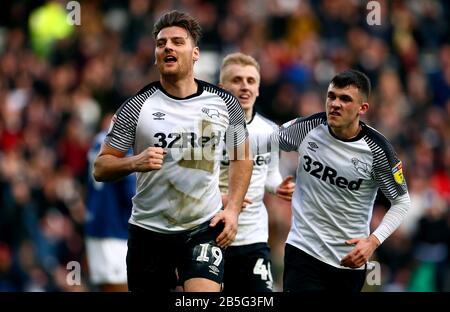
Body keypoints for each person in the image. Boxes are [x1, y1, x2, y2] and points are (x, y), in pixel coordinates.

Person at [93, 11, 252, 292]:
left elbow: (242, 157)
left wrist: (233, 210)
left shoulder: (225, 103)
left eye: (178, 42)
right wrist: (135, 161)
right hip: (149, 232)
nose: (168, 47)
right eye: (161, 43)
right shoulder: (135, 107)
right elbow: (101, 168)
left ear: (195, 53)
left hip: (202, 228)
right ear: (155, 55)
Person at [272, 69, 411, 292]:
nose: (335, 104)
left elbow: (402, 203)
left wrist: (373, 242)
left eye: (345, 99)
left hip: (349, 261)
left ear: (362, 108)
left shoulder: (378, 151)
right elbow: (261, 143)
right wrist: (272, 180)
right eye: (331, 96)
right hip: (303, 251)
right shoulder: (308, 128)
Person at [218, 52, 295, 292]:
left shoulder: (269, 131)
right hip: (212, 233)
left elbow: (269, 174)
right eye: (237, 80)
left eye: (251, 81)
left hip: (253, 236)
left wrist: (278, 186)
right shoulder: (207, 130)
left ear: (258, 89)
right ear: (221, 88)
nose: (245, 87)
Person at [85, 114, 135, 292]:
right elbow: (131, 193)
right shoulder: (122, 144)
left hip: (96, 224)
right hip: (115, 230)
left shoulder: (98, 141)